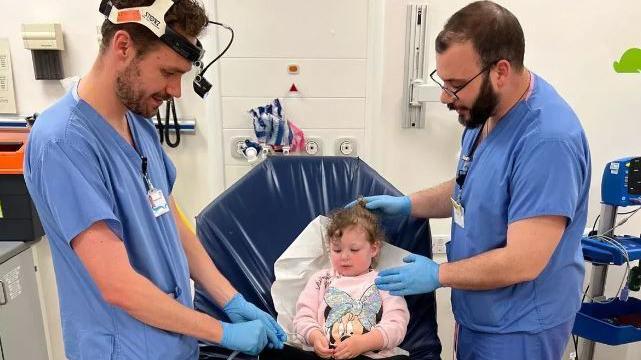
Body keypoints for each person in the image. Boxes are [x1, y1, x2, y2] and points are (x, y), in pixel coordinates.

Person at [23, 0, 285, 358]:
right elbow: (119, 287)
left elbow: (170, 220)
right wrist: (221, 332)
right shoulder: (63, 142)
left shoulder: (140, 124)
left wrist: (231, 299)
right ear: (123, 47)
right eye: (167, 72)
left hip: (175, 344)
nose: (176, 91)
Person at [355, 1, 591, 359]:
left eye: (455, 85)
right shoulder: (486, 112)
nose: (444, 96)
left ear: (500, 71)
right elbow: (476, 184)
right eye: (442, 81)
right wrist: (409, 205)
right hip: (479, 316)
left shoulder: (547, 141)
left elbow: (523, 261)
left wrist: (439, 274)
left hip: (519, 327)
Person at [263, 200, 410, 360]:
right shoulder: (321, 280)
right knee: (270, 349)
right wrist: (315, 337)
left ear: (374, 249)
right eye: (337, 249)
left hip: (369, 356)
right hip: (327, 356)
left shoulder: (384, 281)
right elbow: (303, 317)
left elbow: (396, 326)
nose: (345, 257)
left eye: (354, 250)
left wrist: (364, 343)